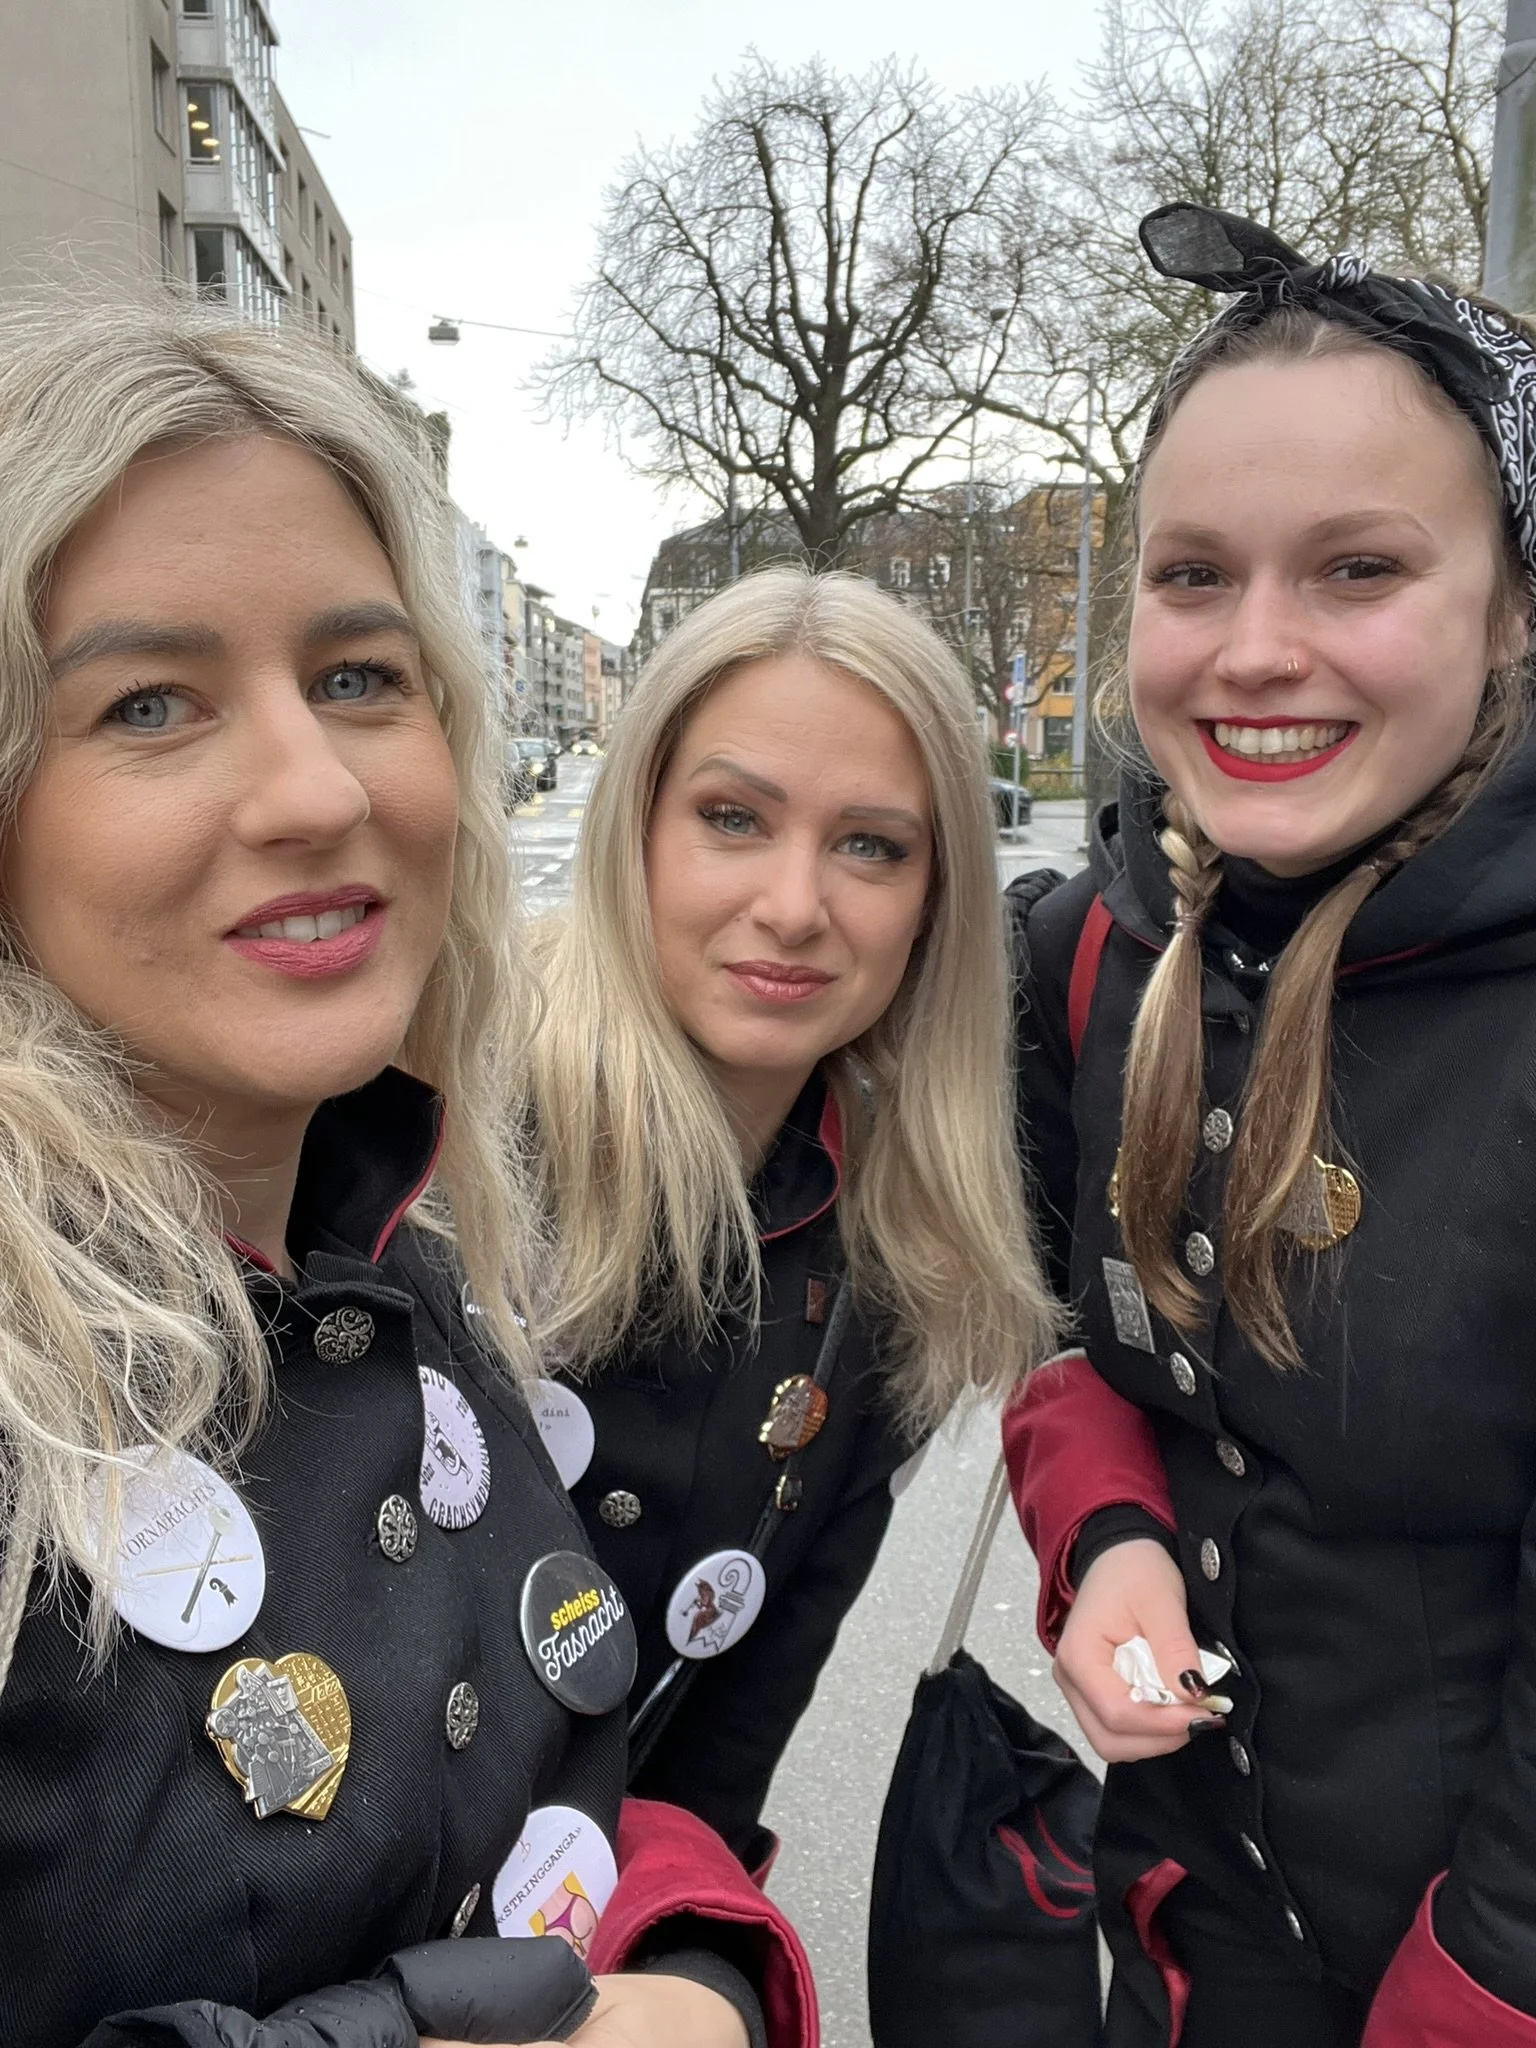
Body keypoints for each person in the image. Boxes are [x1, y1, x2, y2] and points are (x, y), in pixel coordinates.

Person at [0, 289, 813, 2048]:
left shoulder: (397, 1249)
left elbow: (549, 1748)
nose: (312, 788)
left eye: (359, 679)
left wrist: (698, 1966)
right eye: (151, 703)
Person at [1004, 203, 1536, 2048]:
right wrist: (1108, 1543)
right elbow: (1069, 1345)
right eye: (1193, 575)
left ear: (1514, 604)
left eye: (1358, 570)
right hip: (1192, 1927)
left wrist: (1481, 1994)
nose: (1255, 649)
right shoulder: (1098, 953)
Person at [519, 569, 1058, 1866]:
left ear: (937, 897)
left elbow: (725, 1744)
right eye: (732, 818)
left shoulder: (896, 1261)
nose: (797, 904)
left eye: (872, 844)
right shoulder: (434, 1139)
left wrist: (697, 1968)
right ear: (635, 827)